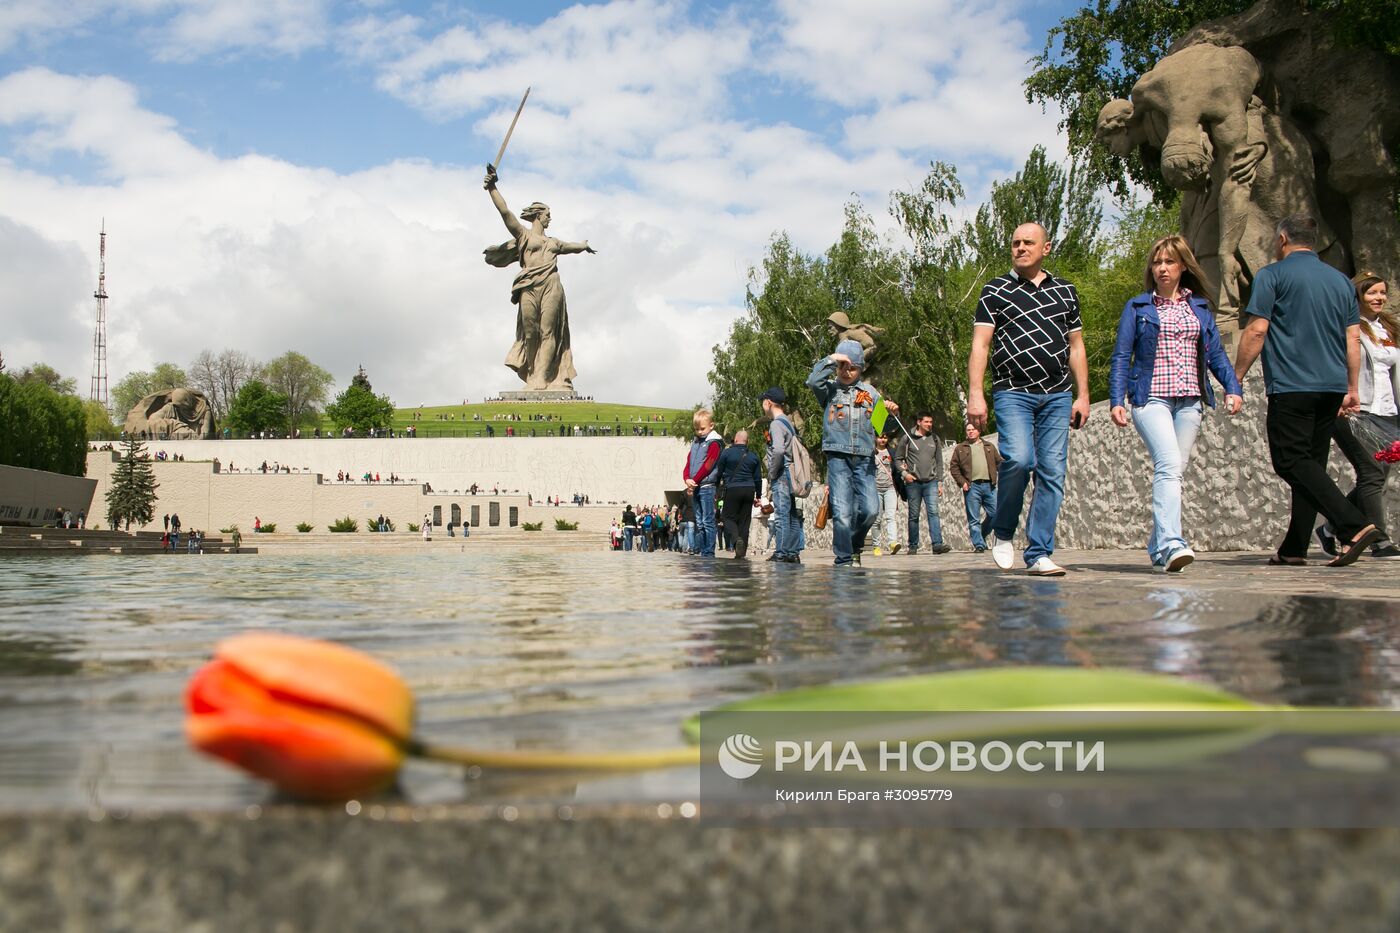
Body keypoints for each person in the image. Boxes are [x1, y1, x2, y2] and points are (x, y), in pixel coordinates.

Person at [1233, 213, 1380, 566]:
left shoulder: (1272, 275)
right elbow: (1353, 338)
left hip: (1292, 386)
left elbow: (1256, 331)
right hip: (1331, 387)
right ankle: (1294, 548)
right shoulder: (1341, 282)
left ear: (1282, 239)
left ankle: (1352, 525)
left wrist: (1235, 377)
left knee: (1289, 460)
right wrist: (1351, 387)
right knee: (1310, 464)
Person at [1108, 234, 1244, 572]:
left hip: (1189, 401)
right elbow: (1123, 355)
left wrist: (1232, 387)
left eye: (1169, 262)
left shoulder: (1197, 308)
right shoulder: (1139, 307)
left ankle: (1157, 547)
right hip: (1150, 398)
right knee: (1168, 465)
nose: (1162, 268)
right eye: (1157, 262)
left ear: (1183, 266)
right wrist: (1116, 399)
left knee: (1174, 473)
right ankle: (1172, 544)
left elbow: (1215, 354)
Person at [968, 222, 1091, 576]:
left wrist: (1083, 396)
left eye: (1028, 242)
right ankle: (1004, 530)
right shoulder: (995, 290)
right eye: (1015, 243)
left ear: (1046, 248)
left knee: (1052, 472)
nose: (1020, 248)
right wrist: (976, 393)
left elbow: (1076, 347)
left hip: (1057, 395)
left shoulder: (1066, 291)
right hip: (1012, 391)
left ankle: (1038, 552)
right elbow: (981, 344)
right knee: (1019, 460)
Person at [1317, 273, 1400, 560]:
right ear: (1358, 297)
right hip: (1354, 410)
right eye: (1372, 293)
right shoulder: (1348, 328)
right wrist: (1340, 396)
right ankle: (1380, 540)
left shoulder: (1388, 329)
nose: (1379, 298)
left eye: (1382, 293)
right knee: (1371, 472)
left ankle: (1331, 527)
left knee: (1379, 476)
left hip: (1386, 411)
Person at [807, 340, 900, 566]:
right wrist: (832, 360)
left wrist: (892, 413)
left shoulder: (870, 394)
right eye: (842, 367)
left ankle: (854, 544)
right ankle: (843, 558)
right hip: (837, 456)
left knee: (870, 510)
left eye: (852, 367)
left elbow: (884, 428)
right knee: (842, 511)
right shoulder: (829, 390)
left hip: (865, 457)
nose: (846, 372)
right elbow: (812, 381)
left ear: (861, 368)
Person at [894, 412, 950, 556]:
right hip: (914, 483)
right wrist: (905, 474)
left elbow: (939, 462)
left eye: (931, 422)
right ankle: (913, 545)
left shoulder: (935, 439)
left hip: (931, 482)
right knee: (914, 515)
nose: (929, 424)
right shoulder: (907, 438)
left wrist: (939, 481)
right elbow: (898, 459)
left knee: (933, 512)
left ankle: (937, 544)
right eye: (926, 422)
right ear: (919, 422)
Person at [761, 388, 802, 563]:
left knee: (781, 515)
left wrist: (772, 472)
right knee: (791, 514)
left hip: (782, 473)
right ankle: (792, 552)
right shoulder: (788, 422)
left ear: (768, 402)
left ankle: (782, 552)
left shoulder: (776, 424)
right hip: (791, 473)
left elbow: (778, 450)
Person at [948, 422, 1002, 553]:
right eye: (968, 430)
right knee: (974, 518)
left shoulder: (989, 446)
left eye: (973, 429)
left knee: (995, 514)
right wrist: (962, 482)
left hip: (989, 485)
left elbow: (999, 463)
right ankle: (979, 544)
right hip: (972, 487)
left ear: (979, 431)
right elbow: (954, 468)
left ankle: (982, 533)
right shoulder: (960, 448)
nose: (970, 432)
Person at [683, 410, 723, 558]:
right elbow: (688, 462)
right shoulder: (696, 442)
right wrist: (687, 478)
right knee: (699, 522)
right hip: (696, 485)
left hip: (706, 486)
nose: (699, 432)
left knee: (707, 521)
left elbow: (709, 464)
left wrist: (695, 480)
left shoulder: (714, 443)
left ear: (711, 426)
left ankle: (708, 551)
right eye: (697, 429)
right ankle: (701, 550)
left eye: (702, 428)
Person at [716, 429, 761, 559]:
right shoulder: (753, 456)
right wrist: (758, 496)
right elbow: (758, 478)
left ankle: (736, 540)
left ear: (735, 440)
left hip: (733, 488)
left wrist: (717, 489)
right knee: (745, 521)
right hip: (749, 489)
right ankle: (741, 553)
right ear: (747, 441)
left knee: (727, 517)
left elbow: (719, 473)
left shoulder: (726, 453)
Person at [872, 433, 901, 556]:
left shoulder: (892, 452)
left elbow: (897, 467)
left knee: (891, 517)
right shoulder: (871, 453)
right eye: (880, 437)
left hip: (890, 488)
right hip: (875, 489)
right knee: (876, 519)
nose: (882, 439)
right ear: (875, 438)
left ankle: (892, 542)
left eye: (885, 437)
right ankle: (876, 546)